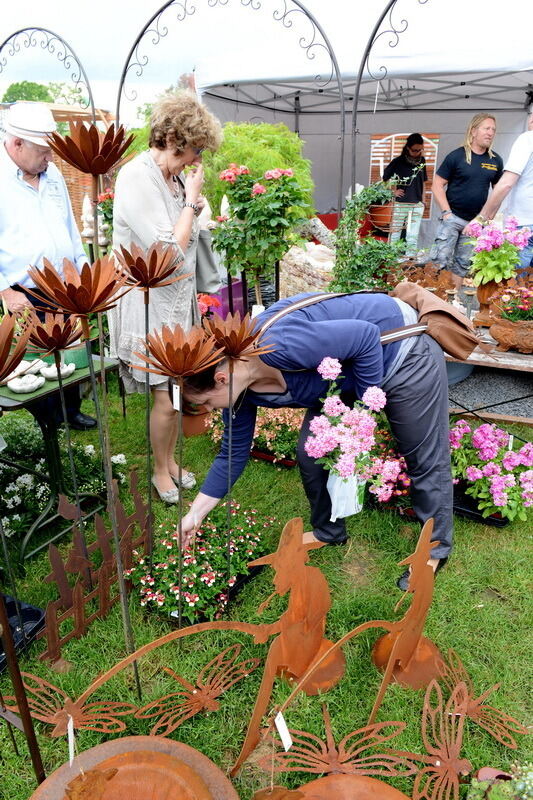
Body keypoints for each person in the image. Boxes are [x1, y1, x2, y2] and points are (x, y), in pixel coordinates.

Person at [181, 291, 452, 589]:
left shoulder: (279, 346)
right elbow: (232, 453)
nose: (207, 411)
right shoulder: (239, 390)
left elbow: (365, 336)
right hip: (346, 372)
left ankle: (435, 548)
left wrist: (363, 411)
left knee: (421, 454)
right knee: (311, 454)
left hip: (402, 351)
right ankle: (328, 531)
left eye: (206, 402)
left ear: (221, 379)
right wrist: (195, 514)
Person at [109, 90, 222, 504]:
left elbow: (191, 233)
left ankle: (171, 460)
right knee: (164, 392)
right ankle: (160, 470)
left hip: (176, 301)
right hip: (148, 299)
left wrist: (192, 204)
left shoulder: (172, 178)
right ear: (175, 137)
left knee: (176, 388)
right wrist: (192, 203)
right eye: (195, 149)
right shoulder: (136, 177)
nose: (196, 159)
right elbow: (168, 250)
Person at [0, 101, 96, 430]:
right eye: (44, 151)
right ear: (16, 144)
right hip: (22, 291)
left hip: (64, 284)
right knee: (36, 361)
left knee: (70, 351)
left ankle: (72, 411)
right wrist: (5, 292)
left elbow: (68, 223)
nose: (51, 158)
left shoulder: (51, 173)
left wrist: (82, 268)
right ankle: (48, 422)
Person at [430, 113, 503, 288]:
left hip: (475, 223)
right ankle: (433, 300)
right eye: (486, 128)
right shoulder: (456, 156)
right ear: (473, 131)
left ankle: (452, 302)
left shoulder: (495, 160)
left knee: (463, 264)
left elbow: (498, 192)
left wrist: (487, 217)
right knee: (440, 260)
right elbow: (437, 184)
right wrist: (446, 213)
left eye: (493, 129)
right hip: (453, 219)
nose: (490, 133)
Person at [470, 112, 533, 270]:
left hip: (525, 224)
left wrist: (482, 217)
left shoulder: (527, 138)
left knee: (516, 286)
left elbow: (506, 183)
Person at [383, 133, 427, 258]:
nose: (417, 152)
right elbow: (384, 179)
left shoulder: (422, 161)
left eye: (420, 150)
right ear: (408, 148)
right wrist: (392, 192)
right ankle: (391, 260)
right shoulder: (398, 162)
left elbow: (423, 182)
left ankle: (409, 261)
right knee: (395, 233)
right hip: (400, 203)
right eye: (415, 150)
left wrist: (423, 200)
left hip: (417, 204)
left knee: (413, 235)